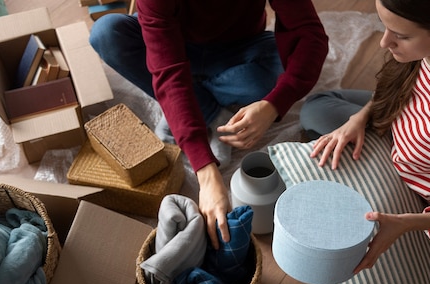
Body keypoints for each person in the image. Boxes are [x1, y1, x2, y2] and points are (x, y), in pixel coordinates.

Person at [89, 1, 329, 249]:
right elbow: (168, 71)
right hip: (174, 42)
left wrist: (274, 105)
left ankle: (188, 101)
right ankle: (207, 109)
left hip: (240, 47)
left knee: (281, 68)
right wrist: (205, 172)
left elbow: (310, 34)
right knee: (107, 33)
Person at [300, 0, 430, 274]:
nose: (384, 42)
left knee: (345, 239)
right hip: (399, 128)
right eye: (385, 27)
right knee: (316, 108)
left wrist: (406, 223)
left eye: (400, 35)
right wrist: (359, 118)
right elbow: (396, 92)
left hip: (416, 197)